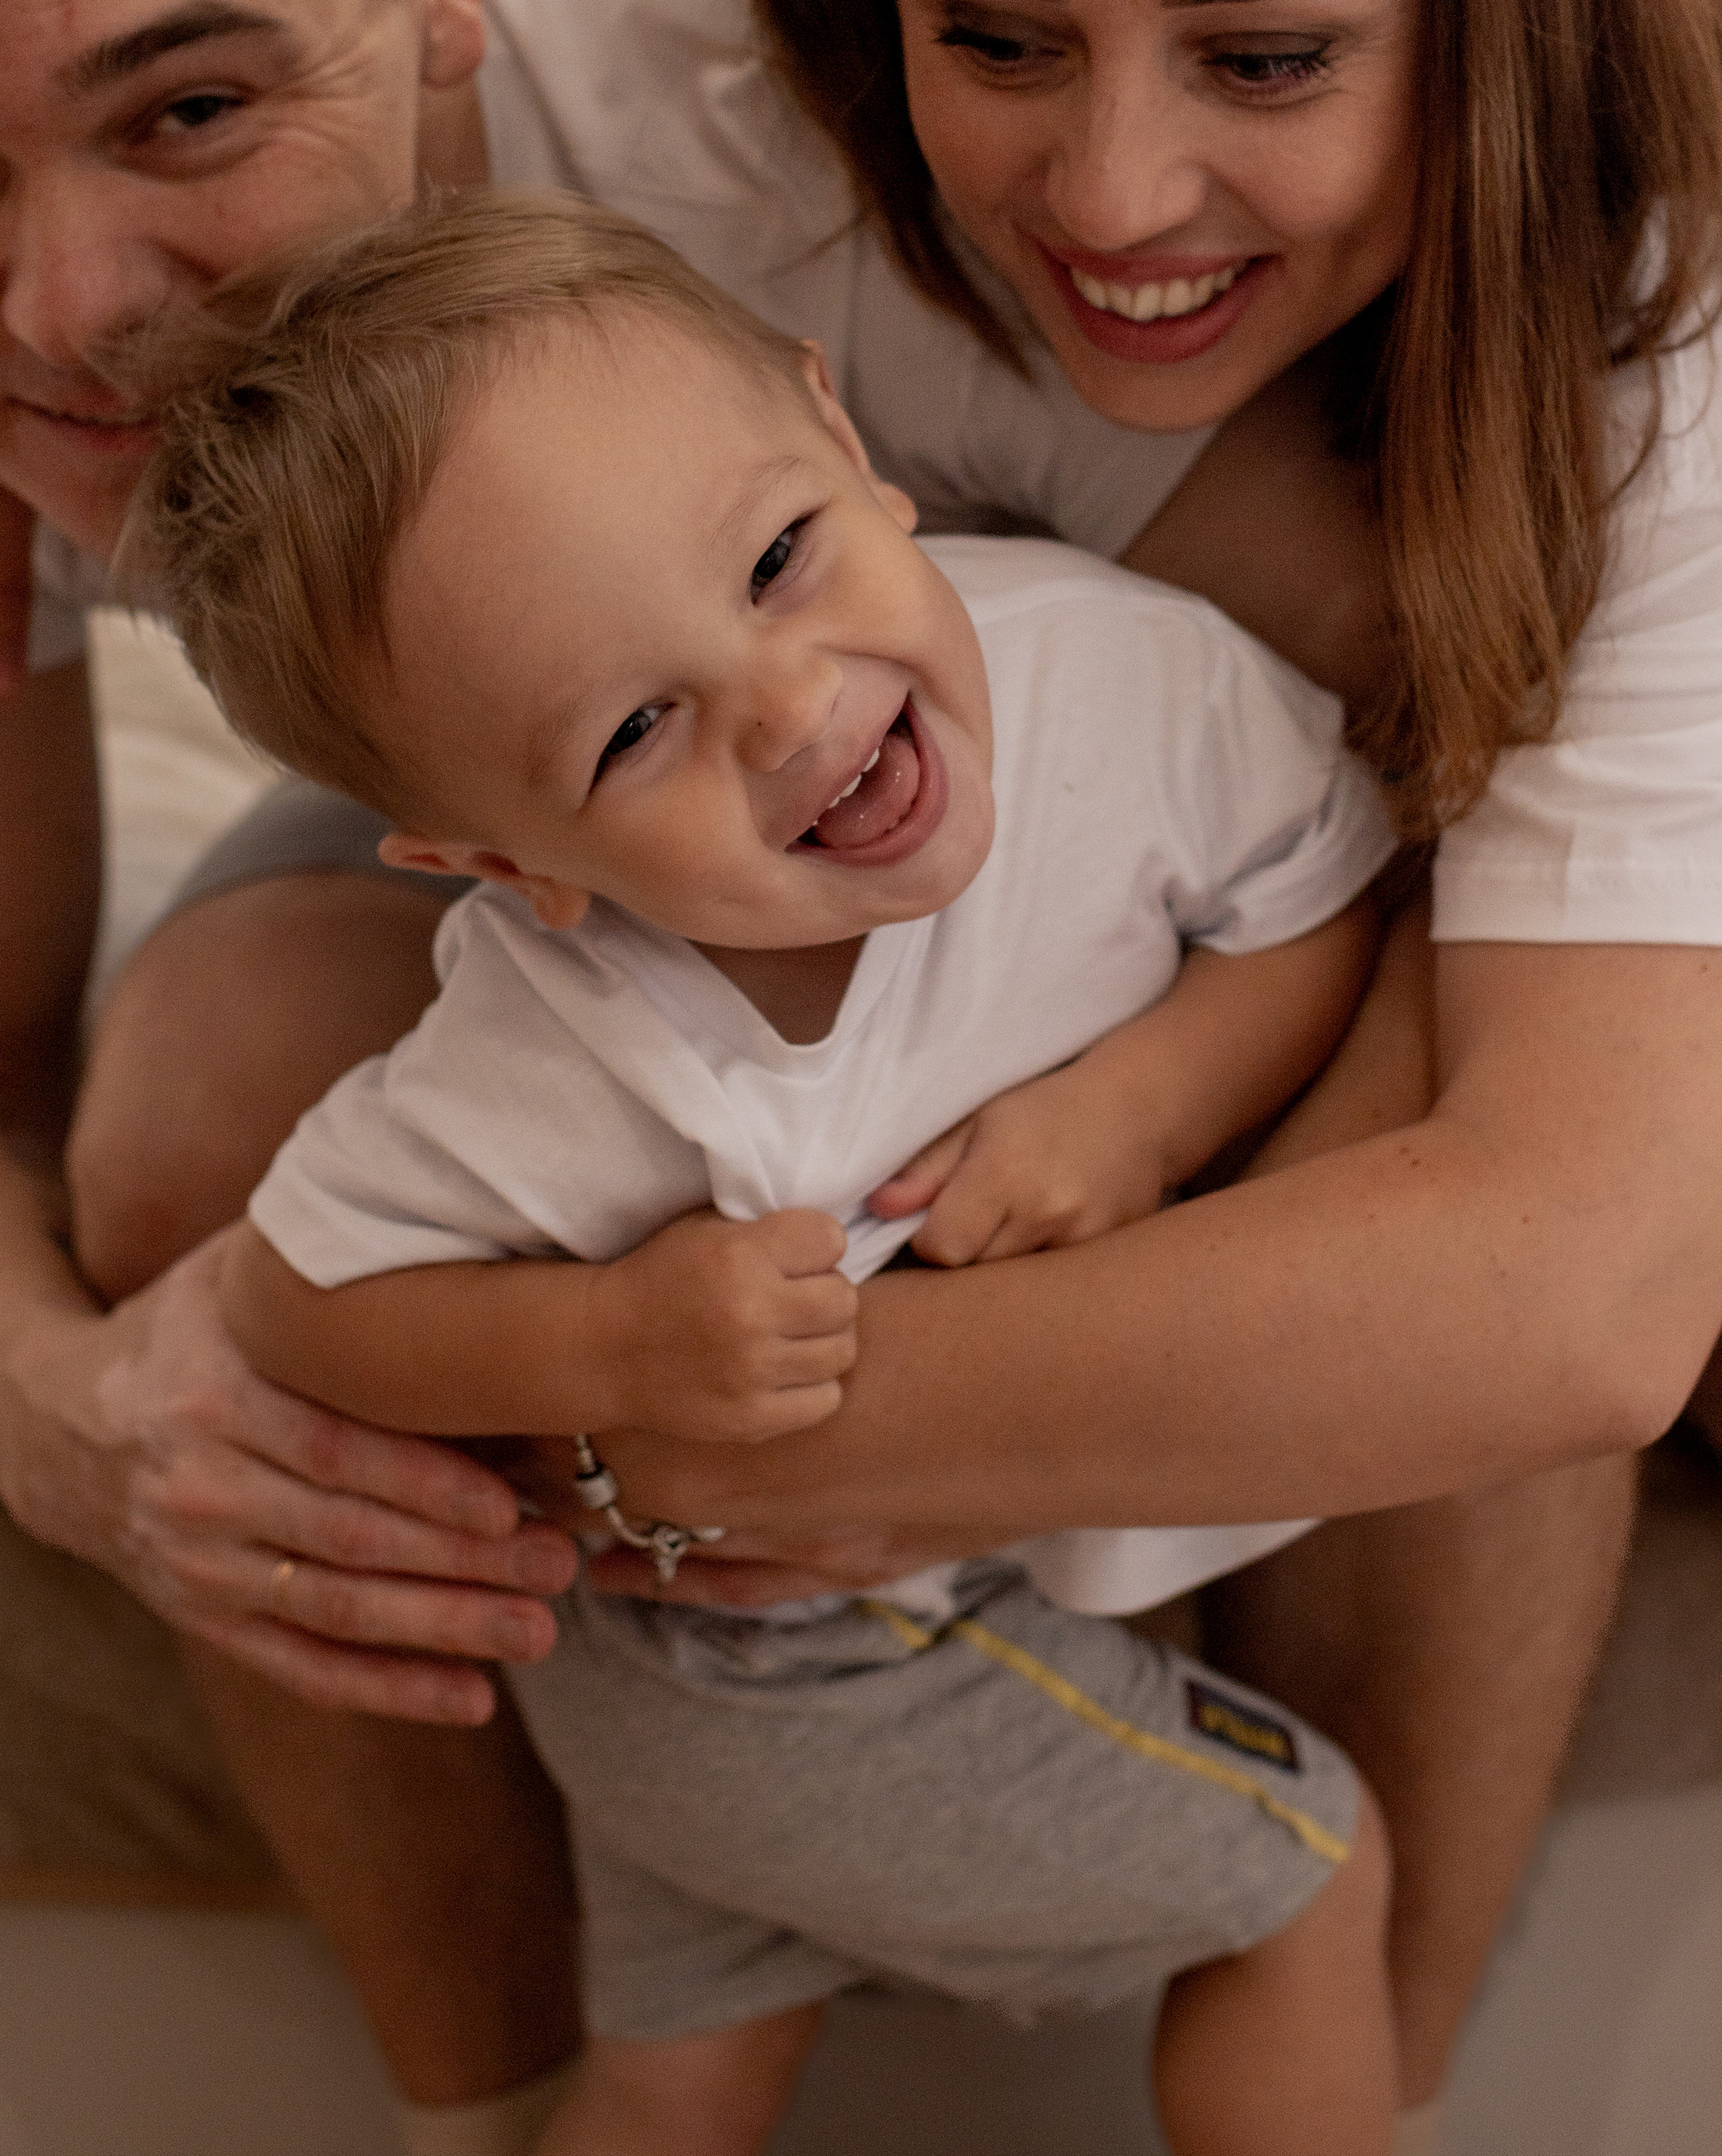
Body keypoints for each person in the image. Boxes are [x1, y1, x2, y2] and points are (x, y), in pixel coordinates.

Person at [1, 1, 1715, 2149]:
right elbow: (279, 1271)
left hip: (1050, 980)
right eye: (1001, 37)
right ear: (493, 863)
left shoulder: (1079, 541)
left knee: (1508, 1137)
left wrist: (822, 1392)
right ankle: (479, 2101)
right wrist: (68, 1403)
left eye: (192, 110)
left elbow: (1464, 1000)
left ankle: (1390, 2072)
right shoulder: (558, 989)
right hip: (656, 1315)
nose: (57, 306)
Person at [134, 189, 1399, 2156]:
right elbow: (300, 1295)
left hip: (717, 1665)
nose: (796, 709)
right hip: (768, 1661)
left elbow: (1317, 892)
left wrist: (1143, 1105)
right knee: (1311, 1879)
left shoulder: (1133, 688)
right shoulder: (572, 1038)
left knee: (687, 2075)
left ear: (840, 436)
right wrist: (610, 1332)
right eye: (638, 728)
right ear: (506, 868)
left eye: (782, 556)